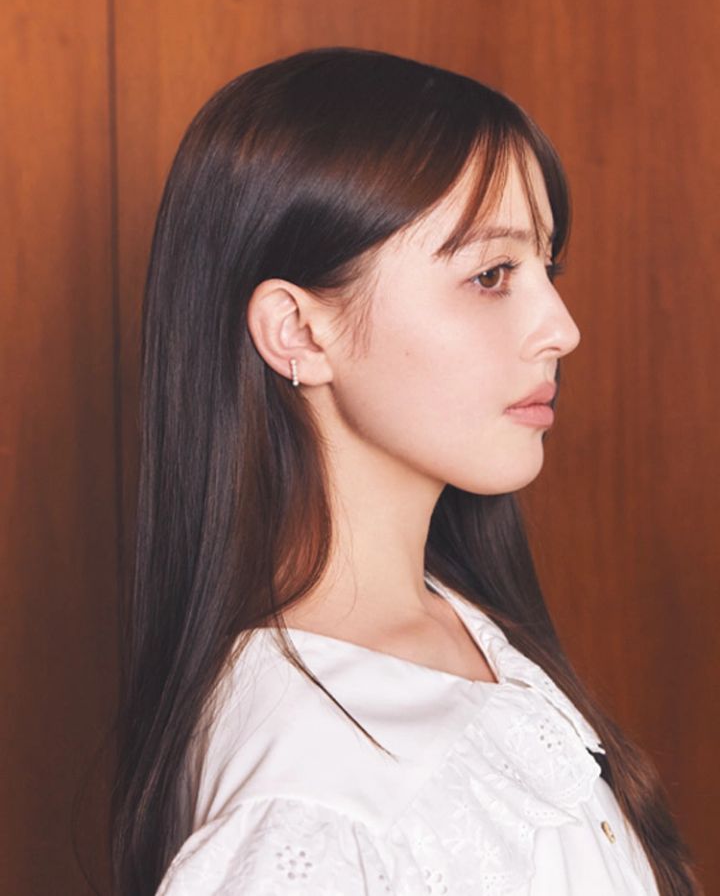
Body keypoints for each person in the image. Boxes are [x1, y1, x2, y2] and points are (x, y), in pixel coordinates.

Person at [110, 46, 703, 896]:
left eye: (548, 267)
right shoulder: (307, 803)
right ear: (299, 332)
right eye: (492, 274)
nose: (561, 328)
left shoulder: (465, 627)